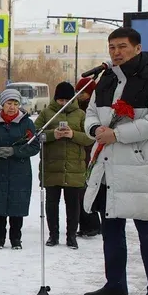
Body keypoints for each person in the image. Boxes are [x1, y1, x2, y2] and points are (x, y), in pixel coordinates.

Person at [82, 28, 148, 295]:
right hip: (109, 167)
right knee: (111, 229)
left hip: (139, 169)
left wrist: (117, 135)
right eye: (111, 47)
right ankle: (115, 285)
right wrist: (96, 129)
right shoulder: (106, 79)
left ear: (137, 48)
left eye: (122, 46)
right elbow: (91, 115)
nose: (116, 52)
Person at [0, 88, 40, 250]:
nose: (12, 107)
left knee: (17, 205)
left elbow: (34, 147)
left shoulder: (27, 123)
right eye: (9, 103)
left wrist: (15, 151)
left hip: (20, 172)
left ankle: (16, 238)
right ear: (2, 104)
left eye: (15, 103)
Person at [36, 81, 94, 249]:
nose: (63, 103)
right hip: (51, 166)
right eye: (60, 100)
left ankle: (71, 236)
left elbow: (90, 138)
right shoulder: (47, 113)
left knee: (73, 205)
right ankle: (53, 235)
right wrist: (52, 134)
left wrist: (72, 134)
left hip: (74, 168)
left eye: (66, 100)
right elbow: (34, 134)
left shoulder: (81, 114)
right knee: (51, 203)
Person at [73, 76, 103, 238]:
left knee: (85, 190)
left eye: (82, 92)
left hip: (90, 152)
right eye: (77, 91)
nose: (79, 94)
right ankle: (89, 224)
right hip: (80, 152)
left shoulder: (93, 108)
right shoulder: (77, 107)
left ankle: (90, 225)